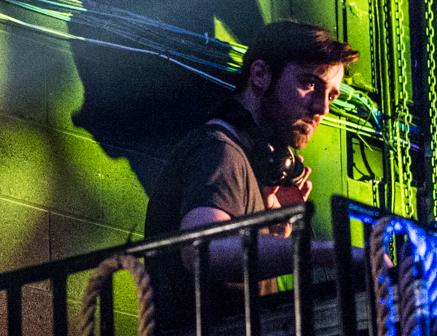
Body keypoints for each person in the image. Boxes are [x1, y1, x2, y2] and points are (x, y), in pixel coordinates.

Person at [145, 19, 359, 294]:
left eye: (332, 96)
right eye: (309, 83)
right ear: (260, 75)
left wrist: (274, 233)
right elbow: (204, 249)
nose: (322, 108)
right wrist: (327, 252)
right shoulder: (219, 150)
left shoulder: (247, 161)